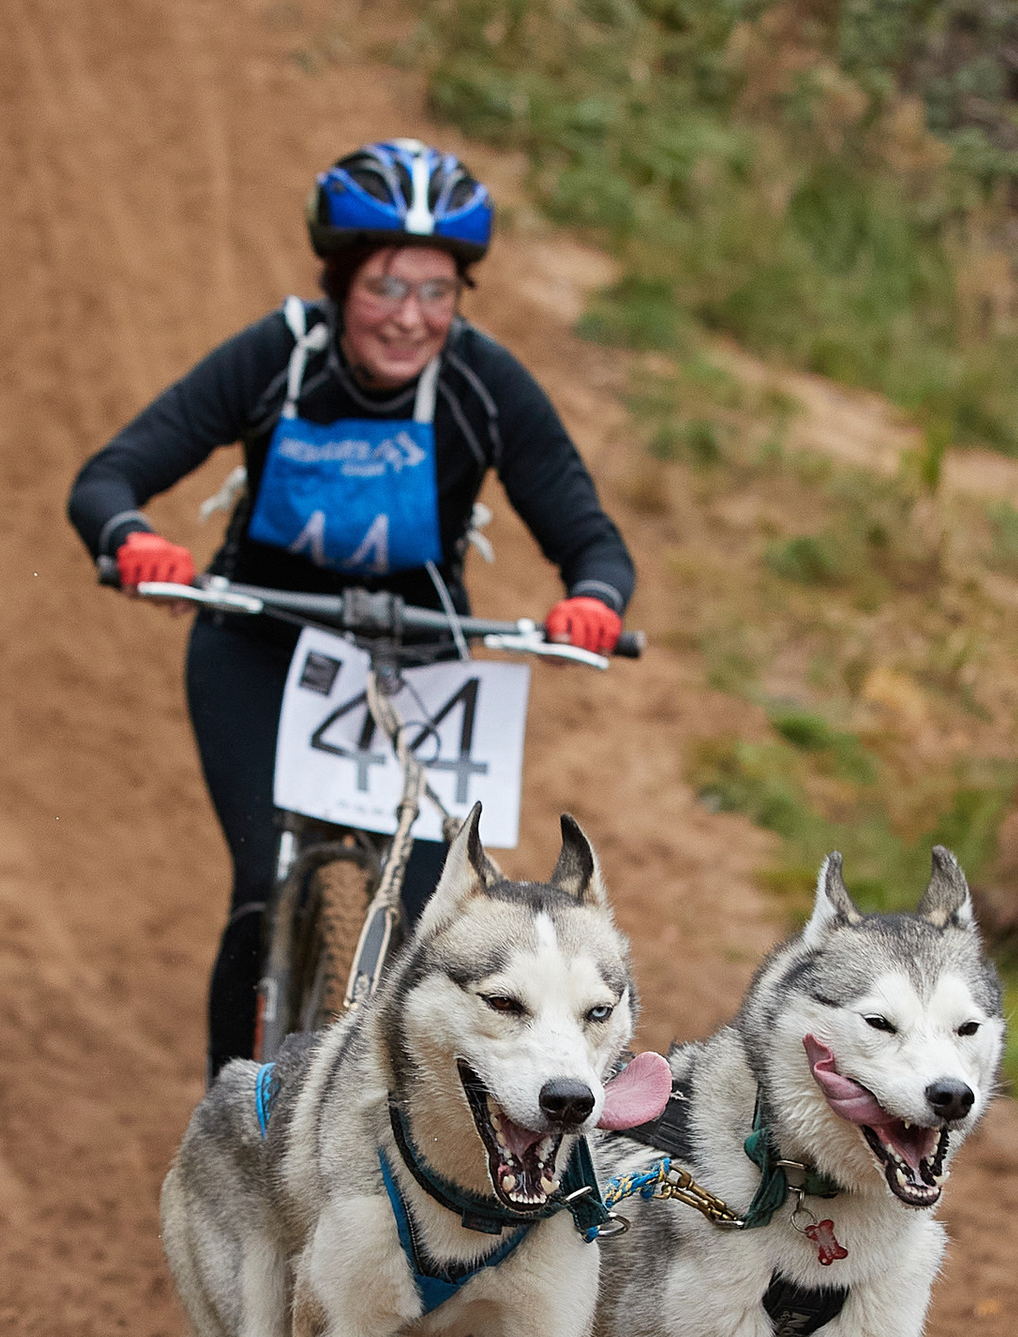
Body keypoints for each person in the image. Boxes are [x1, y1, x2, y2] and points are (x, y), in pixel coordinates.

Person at [68, 139, 637, 1077]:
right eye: (385, 288)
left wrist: (592, 600)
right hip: (259, 640)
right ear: (340, 285)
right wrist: (132, 537)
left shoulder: (483, 383)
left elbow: (592, 539)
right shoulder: (281, 356)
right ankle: (235, 1129)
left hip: (424, 660)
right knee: (262, 886)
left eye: (437, 293)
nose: (410, 319)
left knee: (429, 932)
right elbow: (112, 475)